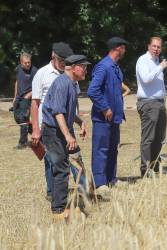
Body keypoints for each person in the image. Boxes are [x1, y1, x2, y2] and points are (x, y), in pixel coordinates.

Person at [31, 42, 86, 201]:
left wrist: (79, 121)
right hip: (48, 126)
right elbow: (35, 104)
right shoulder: (42, 74)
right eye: (61, 60)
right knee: (52, 162)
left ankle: (85, 190)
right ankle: (52, 194)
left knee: (76, 158)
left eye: (66, 61)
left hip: (66, 126)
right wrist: (35, 129)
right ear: (53, 57)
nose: (63, 64)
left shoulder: (70, 76)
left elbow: (71, 104)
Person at [41, 54, 89, 221]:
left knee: (77, 162)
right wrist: (68, 136)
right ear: (73, 67)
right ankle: (58, 210)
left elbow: (67, 111)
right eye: (83, 66)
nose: (85, 70)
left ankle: (84, 194)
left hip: (62, 130)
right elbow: (58, 113)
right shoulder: (62, 84)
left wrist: (79, 121)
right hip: (53, 132)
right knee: (61, 169)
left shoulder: (71, 83)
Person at [87, 36, 127, 197]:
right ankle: (100, 183)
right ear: (117, 48)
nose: (125, 50)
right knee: (101, 149)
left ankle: (111, 178)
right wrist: (104, 108)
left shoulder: (115, 67)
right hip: (103, 118)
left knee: (112, 149)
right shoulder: (103, 67)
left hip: (115, 117)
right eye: (124, 47)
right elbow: (92, 91)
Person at [136, 37, 167, 177]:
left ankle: (155, 166)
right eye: (154, 46)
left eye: (159, 47)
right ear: (148, 46)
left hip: (159, 103)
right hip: (148, 103)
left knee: (159, 137)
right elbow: (146, 79)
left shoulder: (156, 62)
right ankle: (145, 169)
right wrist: (160, 67)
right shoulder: (143, 60)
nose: (156, 49)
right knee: (149, 138)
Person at [12, 52, 37, 149]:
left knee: (23, 119)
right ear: (21, 62)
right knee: (18, 119)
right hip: (18, 98)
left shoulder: (35, 71)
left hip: (27, 99)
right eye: (25, 63)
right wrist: (15, 96)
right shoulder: (18, 69)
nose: (28, 64)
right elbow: (17, 82)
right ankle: (37, 133)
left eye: (29, 62)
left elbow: (38, 86)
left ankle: (22, 143)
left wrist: (28, 96)